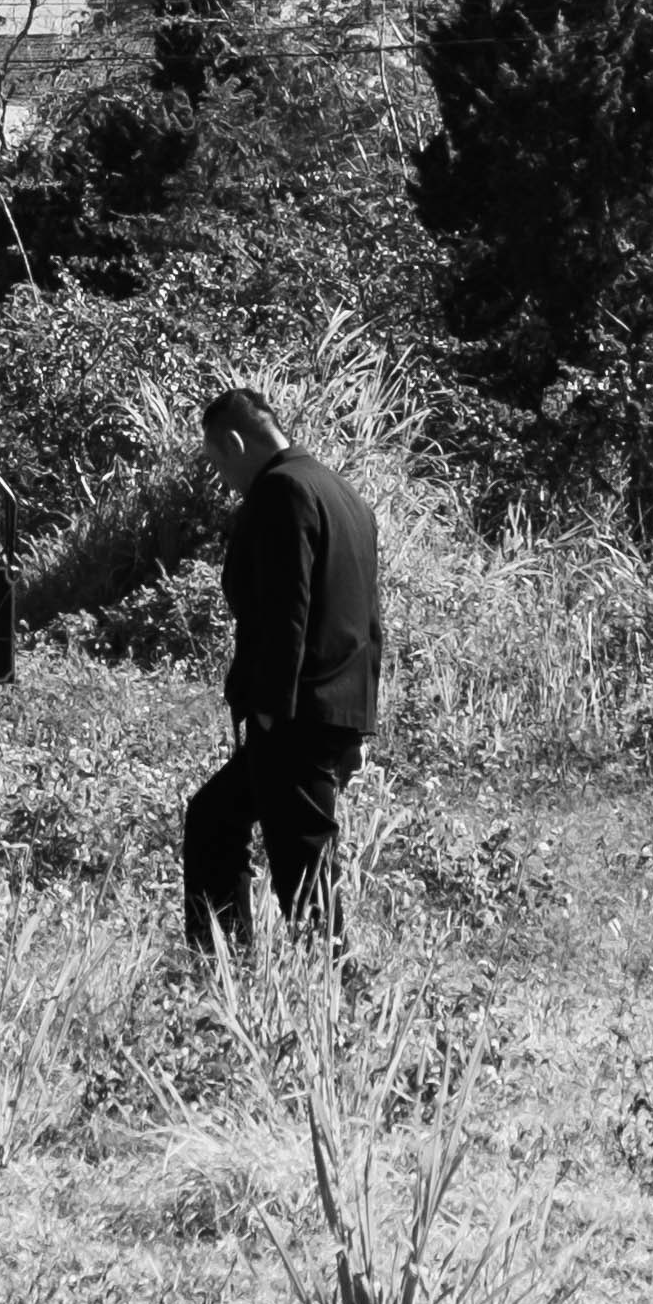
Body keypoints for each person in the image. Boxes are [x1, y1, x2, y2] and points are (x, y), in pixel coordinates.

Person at [181, 384, 379, 952]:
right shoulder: (342, 493)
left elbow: (282, 611)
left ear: (237, 441)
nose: (225, 480)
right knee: (215, 818)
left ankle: (333, 992)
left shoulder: (281, 492)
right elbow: (369, 618)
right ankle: (225, 962)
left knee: (304, 863)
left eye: (219, 463)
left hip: (293, 715)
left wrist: (268, 710)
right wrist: (361, 723)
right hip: (332, 705)